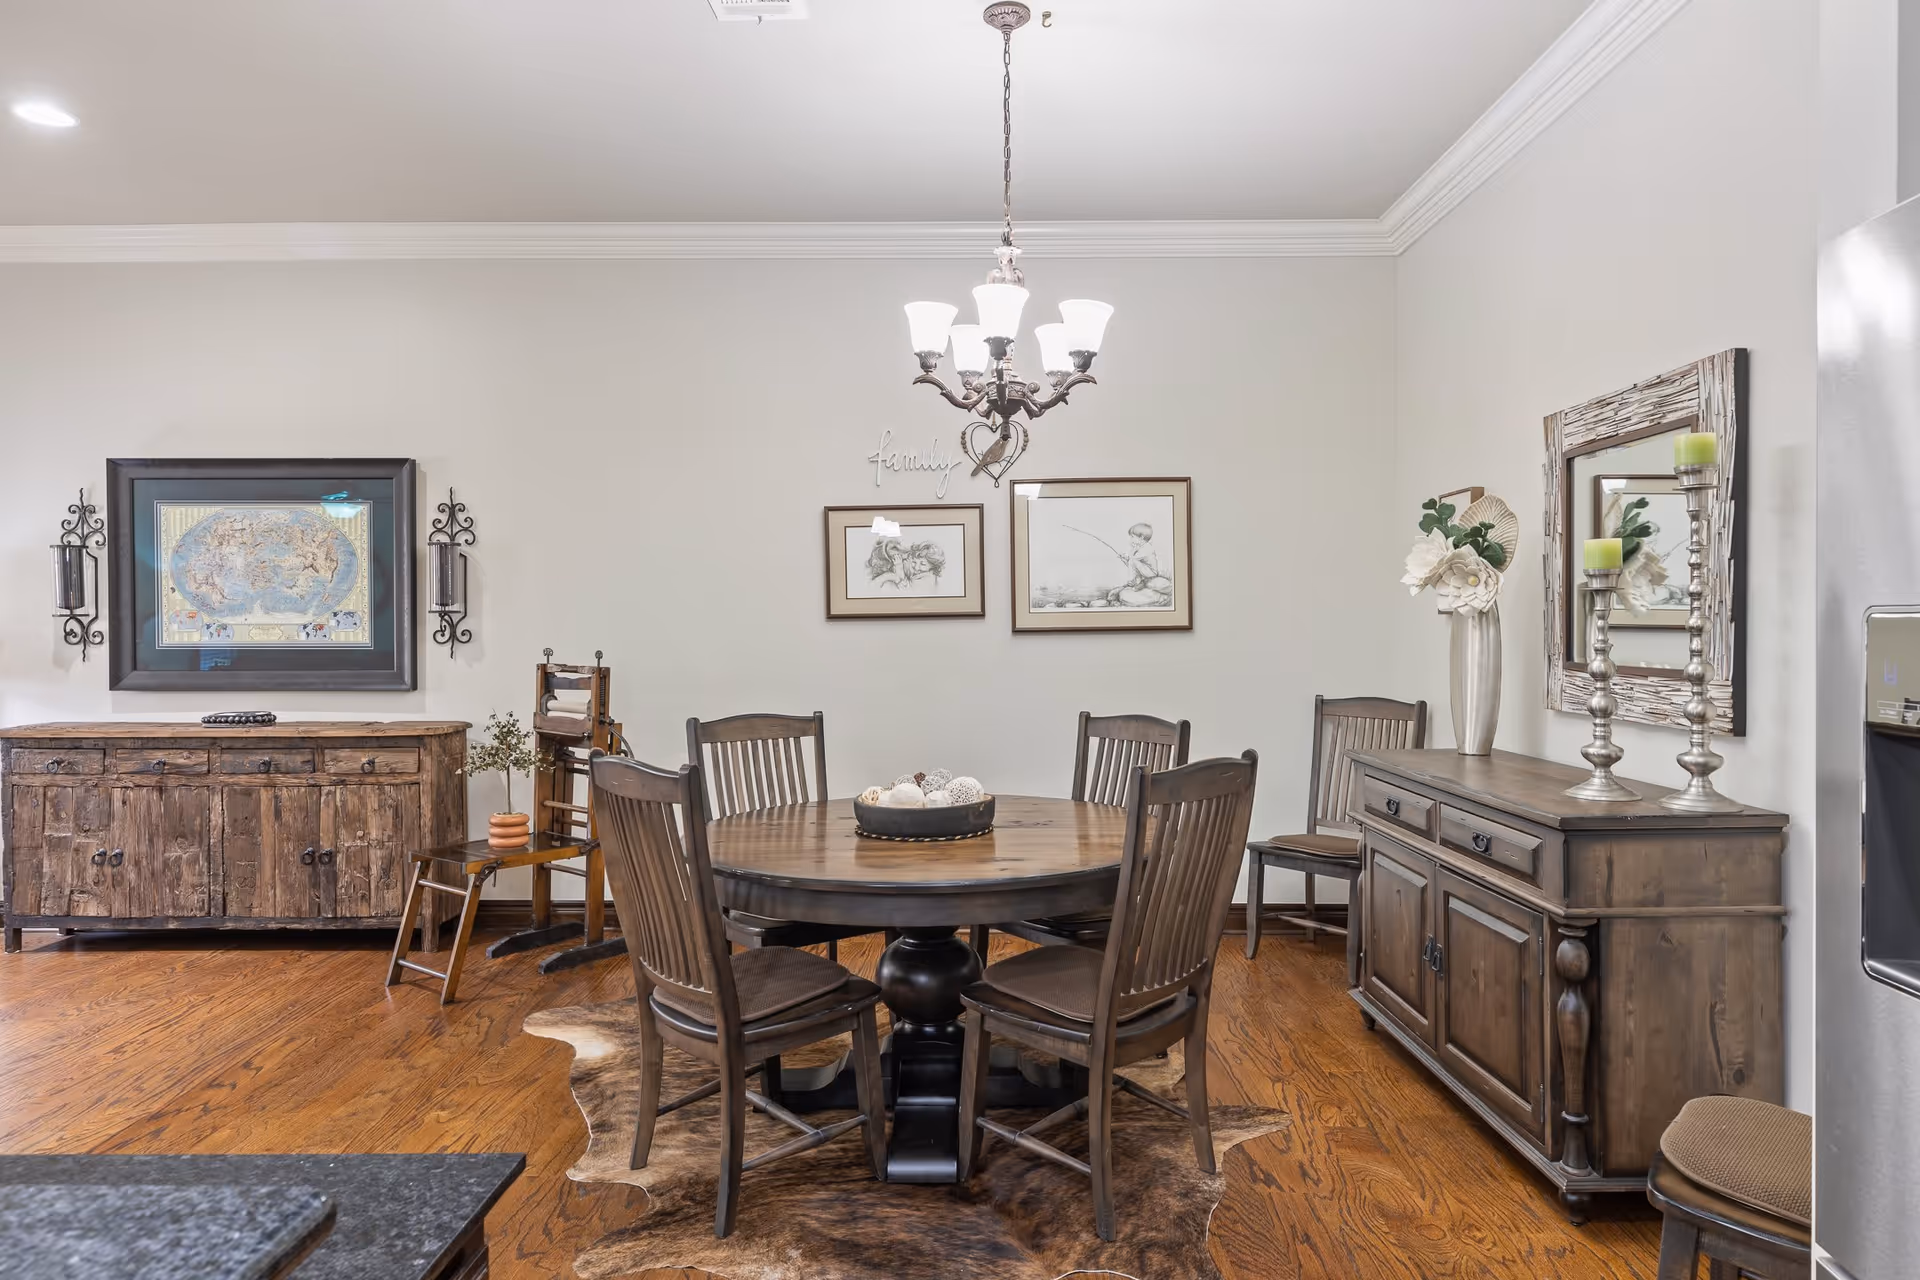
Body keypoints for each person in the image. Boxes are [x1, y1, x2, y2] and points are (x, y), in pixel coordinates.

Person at [1108, 522, 1173, 607]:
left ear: (1141, 537)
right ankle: (1136, 583)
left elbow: (1134, 558)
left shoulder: (1147, 547)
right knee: (1132, 561)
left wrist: (1127, 556)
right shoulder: (1140, 548)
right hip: (1145, 572)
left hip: (1151, 573)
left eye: (1132, 537)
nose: (1130, 539)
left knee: (1132, 561)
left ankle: (1132, 581)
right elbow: (1135, 559)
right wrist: (1126, 556)